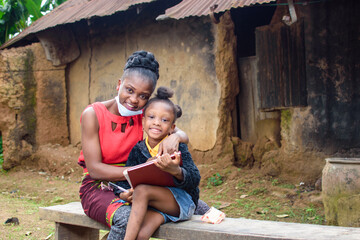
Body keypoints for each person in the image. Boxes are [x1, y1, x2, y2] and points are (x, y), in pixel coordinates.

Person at [78, 50, 208, 239]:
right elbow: (95, 170)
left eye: (143, 96)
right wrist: (142, 169)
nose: (133, 100)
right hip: (101, 186)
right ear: (119, 84)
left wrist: (176, 137)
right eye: (129, 90)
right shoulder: (93, 114)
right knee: (127, 218)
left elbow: (176, 130)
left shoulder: (146, 116)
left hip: (141, 184)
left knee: (203, 209)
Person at [114, 86, 200, 240]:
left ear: (172, 128)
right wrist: (124, 194)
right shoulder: (138, 149)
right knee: (141, 235)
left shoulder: (176, 147)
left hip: (181, 203)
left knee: (142, 190)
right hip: (155, 207)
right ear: (143, 121)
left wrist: (176, 171)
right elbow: (127, 181)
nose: (157, 123)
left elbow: (195, 178)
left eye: (164, 120)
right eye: (152, 117)